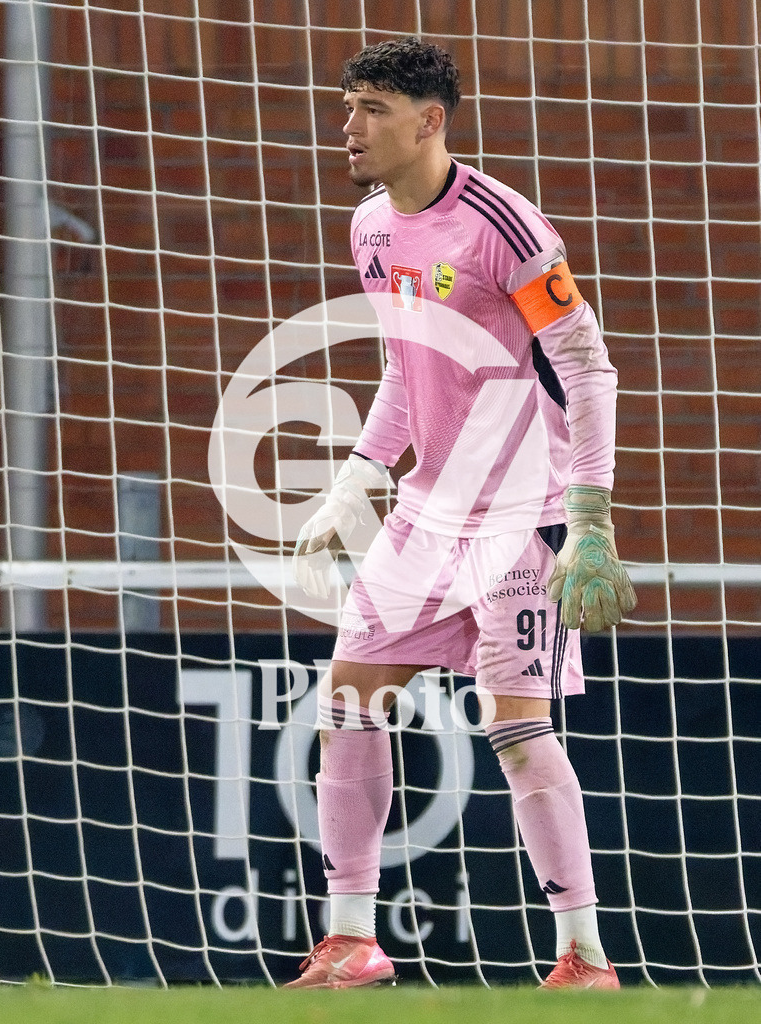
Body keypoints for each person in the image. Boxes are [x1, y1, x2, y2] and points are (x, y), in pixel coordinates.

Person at [285, 36, 636, 990]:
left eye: (370, 109)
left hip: (520, 510)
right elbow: (406, 364)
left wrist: (591, 519)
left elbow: (587, 366)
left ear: (429, 119)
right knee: (348, 703)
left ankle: (583, 957)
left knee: (519, 731)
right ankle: (352, 939)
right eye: (347, 105)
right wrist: (357, 477)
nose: (348, 126)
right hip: (427, 511)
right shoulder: (369, 227)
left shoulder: (506, 227)